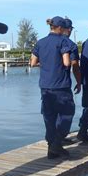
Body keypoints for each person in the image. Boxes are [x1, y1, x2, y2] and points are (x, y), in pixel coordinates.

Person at [31, 16, 74, 159]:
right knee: (66, 114)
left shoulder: (40, 42)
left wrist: (46, 64)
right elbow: (67, 63)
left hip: (45, 86)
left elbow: (33, 63)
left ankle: (52, 147)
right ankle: (56, 143)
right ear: (61, 28)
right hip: (61, 85)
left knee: (49, 117)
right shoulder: (63, 41)